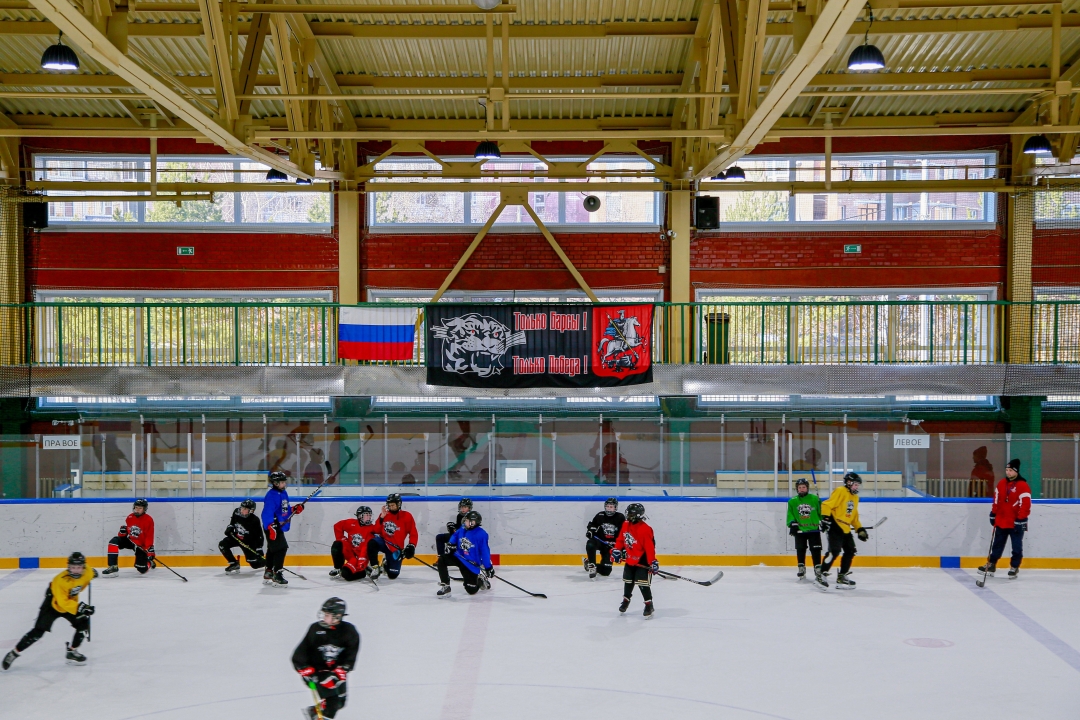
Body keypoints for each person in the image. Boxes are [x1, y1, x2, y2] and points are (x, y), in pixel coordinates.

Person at [3, 552, 96, 669]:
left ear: (83, 567)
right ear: (68, 567)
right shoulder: (60, 580)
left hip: (70, 603)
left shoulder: (87, 572)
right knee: (38, 631)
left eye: (79, 567)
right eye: (73, 568)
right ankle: (14, 653)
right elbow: (62, 603)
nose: (76, 570)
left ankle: (72, 652)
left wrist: (93, 573)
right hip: (53, 604)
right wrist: (81, 608)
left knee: (83, 623)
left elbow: (89, 572)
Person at [292, 597, 360, 720]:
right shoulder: (315, 629)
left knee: (340, 702)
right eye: (324, 614)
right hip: (316, 672)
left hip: (336, 672)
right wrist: (304, 669)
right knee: (332, 703)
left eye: (327, 615)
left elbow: (350, 655)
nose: (324, 617)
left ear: (337, 617)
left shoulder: (349, 632)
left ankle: (313, 712)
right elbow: (300, 653)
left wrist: (344, 669)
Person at [979, 458, 1032, 579]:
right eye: (1006, 470)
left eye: (1010, 470)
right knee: (997, 544)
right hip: (1001, 521)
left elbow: (1026, 504)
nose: (1008, 472)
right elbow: (996, 500)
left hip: (1016, 523)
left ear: (1016, 471)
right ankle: (991, 564)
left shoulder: (1023, 486)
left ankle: (1014, 567)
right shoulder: (1001, 483)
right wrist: (993, 513)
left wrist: (1021, 519)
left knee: (1016, 546)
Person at [820, 472, 869, 589]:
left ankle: (842, 576)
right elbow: (826, 505)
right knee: (834, 551)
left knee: (850, 551)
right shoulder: (841, 491)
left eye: (858, 485)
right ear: (848, 482)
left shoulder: (855, 498)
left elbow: (853, 516)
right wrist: (826, 518)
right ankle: (821, 574)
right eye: (855, 484)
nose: (857, 487)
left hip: (846, 528)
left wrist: (859, 529)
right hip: (835, 525)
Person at [611, 502, 657, 618]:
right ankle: (626, 601)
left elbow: (649, 548)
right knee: (628, 581)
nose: (628, 515)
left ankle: (648, 604)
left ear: (637, 515)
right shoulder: (626, 524)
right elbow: (621, 539)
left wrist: (652, 562)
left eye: (631, 513)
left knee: (642, 583)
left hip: (642, 560)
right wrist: (617, 550)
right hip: (630, 558)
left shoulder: (645, 529)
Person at [437, 510, 494, 597]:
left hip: (470, 564)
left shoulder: (481, 534)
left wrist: (488, 567)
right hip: (459, 557)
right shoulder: (463, 528)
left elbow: (485, 552)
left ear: (473, 522)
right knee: (442, 560)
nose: (465, 522)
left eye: (467, 520)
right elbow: (455, 535)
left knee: (471, 590)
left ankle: (480, 580)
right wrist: (451, 544)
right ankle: (446, 586)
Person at [262, 471, 304, 587]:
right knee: (281, 548)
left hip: (277, 525)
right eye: (282, 482)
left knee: (272, 548)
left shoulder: (283, 493)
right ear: (275, 483)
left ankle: (269, 571)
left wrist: (294, 509)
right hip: (272, 525)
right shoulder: (271, 495)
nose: (284, 484)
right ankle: (277, 573)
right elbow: (267, 513)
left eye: (284, 481)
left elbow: (283, 509)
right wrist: (271, 526)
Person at [787, 478, 828, 589]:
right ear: (797, 489)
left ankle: (817, 567)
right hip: (800, 530)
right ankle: (801, 567)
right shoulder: (792, 501)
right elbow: (790, 515)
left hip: (814, 530)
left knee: (816, 549)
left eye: (803, 487)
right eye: (799, 488)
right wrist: (792, 524)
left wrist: (824, 520)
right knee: (800, 549)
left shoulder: (815, 499)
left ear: (807, 488)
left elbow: (822, 513)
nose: (801, 489)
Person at [367, 493, 417, 580]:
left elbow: (413, 533)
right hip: (384, 542)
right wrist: (382, 517)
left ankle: (386, 563)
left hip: (395, 548)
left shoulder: (407, 516)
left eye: (393, 505)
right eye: (389, 505)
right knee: (372, 543)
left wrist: (411, 545)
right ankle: (374, 567)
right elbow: (376, 530)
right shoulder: (385, 514)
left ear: (399, 504)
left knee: (392, 575)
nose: (391, 507)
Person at [101, 499, 155, 577]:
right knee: (114, 541)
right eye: (136, 507)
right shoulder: (130, 517)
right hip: (131, 541)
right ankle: (113, 566)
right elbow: (124, 534)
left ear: (144, 509)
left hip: (141, 546)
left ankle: (150, 562)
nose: (137, 510)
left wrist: (149, 548)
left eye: (140, 508)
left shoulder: (148, 519)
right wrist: (122, 532)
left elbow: (149, 535)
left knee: (141, 569)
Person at [330, 506, 377, 582]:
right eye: (366, 515)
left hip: (361, 557)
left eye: (369, 515)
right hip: (350, 553)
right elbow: (337, 526)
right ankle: (338, 568)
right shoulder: (351, 523)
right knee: (337, 544)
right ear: (359, 516)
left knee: (346, 574)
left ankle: (363, 572)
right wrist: (342, 539)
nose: (368, 517)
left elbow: (366, 548)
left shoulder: (372, 529)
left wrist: (361, 563)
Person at [219, 498, 265, 574]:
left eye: (245, 509)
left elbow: (259, 536)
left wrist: (259, 548)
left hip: (248, 543)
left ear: (251, 511)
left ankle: (268, 563)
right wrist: (230, 527)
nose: (242, 510)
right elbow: (232, 522)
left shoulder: (254, 520)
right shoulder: (236, 512)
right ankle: (234, 563)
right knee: (222, 544)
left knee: (254, 565)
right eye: (242, 508)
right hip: (237, 538)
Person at [584, 497, 625, 579]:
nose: (609, 509)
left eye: (611, 507)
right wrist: (590, 531)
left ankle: (588, 563)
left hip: (611, 546)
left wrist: (621, 548)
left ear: (615, 508)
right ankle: (592, 565)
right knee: (590, 544)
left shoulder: (620, 517)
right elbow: (593, 525)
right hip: (600, 541)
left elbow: (623, 533)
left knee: (606, 571)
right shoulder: (600, 515)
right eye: (608, 506)